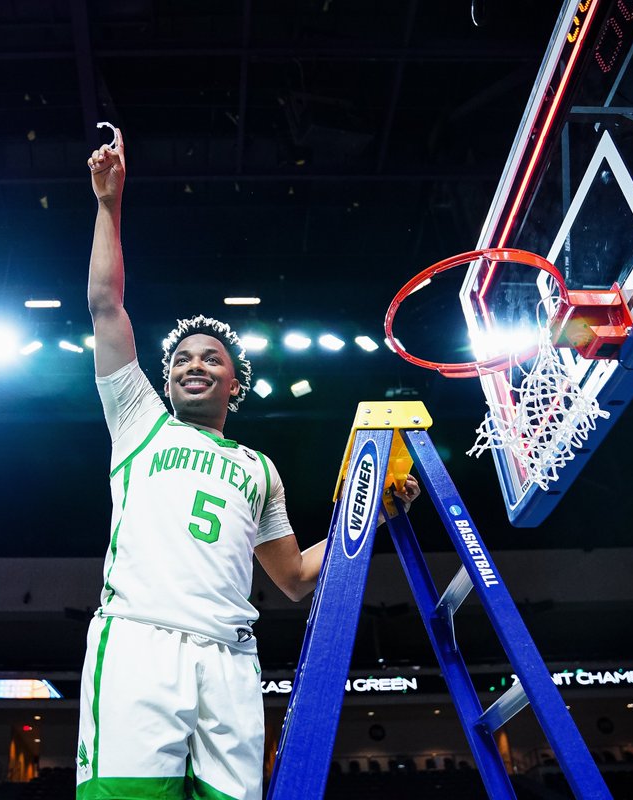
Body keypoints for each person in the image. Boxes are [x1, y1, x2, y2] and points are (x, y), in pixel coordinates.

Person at [76, 126, 421, 800]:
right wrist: (109, 204)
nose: (193, 365)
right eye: (180, 360)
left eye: (212, 359)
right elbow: (104, 305)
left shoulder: (259, 469)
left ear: (238, 383)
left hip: (231, 659)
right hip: (141, 644)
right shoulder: (138, 422)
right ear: (166, 381)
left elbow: (292, 579)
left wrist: (371, 516)